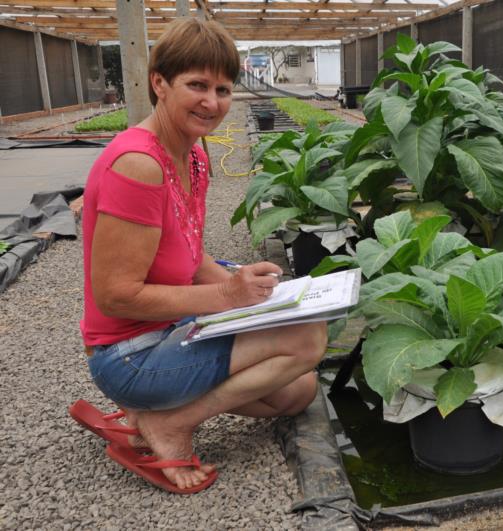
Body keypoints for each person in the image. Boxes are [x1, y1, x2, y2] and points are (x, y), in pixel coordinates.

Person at [74, 18, 327, 493]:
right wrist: (228, 294)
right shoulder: (139, 165)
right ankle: (172, 424)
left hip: (172, 334)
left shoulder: (191, 155)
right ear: (159, 84)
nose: (212, 102)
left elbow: (189, 257)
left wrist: (245, 284)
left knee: (298, 391)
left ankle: (150, 414)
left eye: (223, 89)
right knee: (308, 338)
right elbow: (114, 297)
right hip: (128, 356)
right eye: (196, 85)